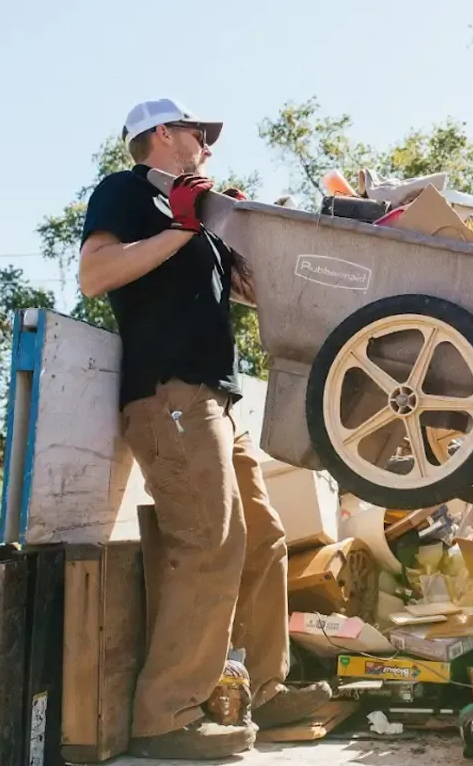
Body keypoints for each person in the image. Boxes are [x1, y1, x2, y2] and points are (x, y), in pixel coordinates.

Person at [78, 98, 332, 760]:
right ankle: (167, 713)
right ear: (161, 134)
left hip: (215, 399)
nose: (207, 146)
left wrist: (253, 237)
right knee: (210, 540)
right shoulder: (126, 192)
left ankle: (265, 692)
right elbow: (93, 275)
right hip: (169, 395)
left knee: (266, 540)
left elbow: (254, 291)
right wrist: (183, 231)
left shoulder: (204, 215)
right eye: (198, 133)